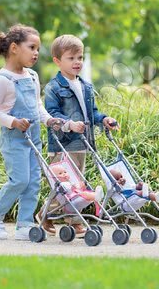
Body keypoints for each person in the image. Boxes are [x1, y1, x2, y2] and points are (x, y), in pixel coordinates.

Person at [0, 24, 61, 241]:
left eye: (38, 48)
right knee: (19, 180)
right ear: (14, 48)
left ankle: (24, 225)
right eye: (32, 47)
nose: (36, 53)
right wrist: (13, 121)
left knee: (33, 181)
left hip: (34, 139)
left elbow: (37, 105)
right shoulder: (3, 80)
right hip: (14, 140)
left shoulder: (32, 76)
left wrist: (48, 119)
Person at [40, 34, 119, 237]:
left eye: (80, 57)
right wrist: (69, 124)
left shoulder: (86, 86)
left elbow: (91, 112)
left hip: (83, 143)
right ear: (57, 61)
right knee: (64, 184)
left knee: (78, 185)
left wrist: (104, 119)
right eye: (71, 58)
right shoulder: (53, 88)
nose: (77, 62)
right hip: (63, 143)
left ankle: (62, 216)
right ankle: (55, 215)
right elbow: (52, 115)